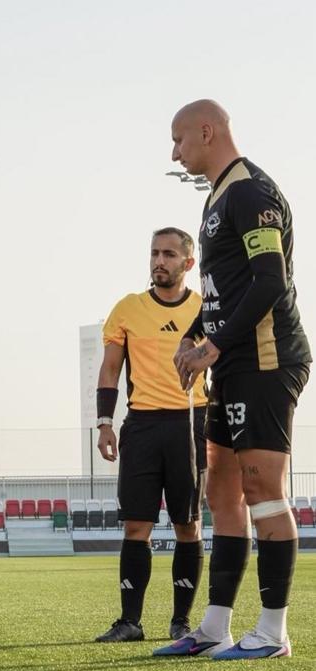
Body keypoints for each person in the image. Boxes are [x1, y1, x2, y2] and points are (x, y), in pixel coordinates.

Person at [154, 100, 311, 660]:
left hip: (266, 359)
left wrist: (213, 345)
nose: (175, 152)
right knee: (220, 491)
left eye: (178, 140)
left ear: (207, 131)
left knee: (261, 488)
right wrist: (193, 333)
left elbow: (270, 282)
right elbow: (226, 289)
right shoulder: (217, 197)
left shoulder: (251, 192)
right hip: (231, 363)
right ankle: (215, 627)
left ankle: (272, 633)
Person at [93, 228, 207, 643]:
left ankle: (181, 622)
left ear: (188, 263)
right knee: (135, 526)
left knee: (187, 526)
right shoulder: (128, 308)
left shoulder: (204, 309)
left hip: (191, 425)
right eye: (155, 253)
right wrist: (105, 422)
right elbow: (110, 368)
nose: (160, 261)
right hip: (141, 426)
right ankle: (130, 622)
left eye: (170, 254)